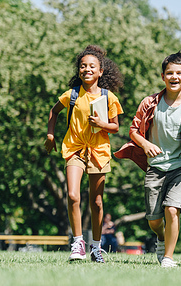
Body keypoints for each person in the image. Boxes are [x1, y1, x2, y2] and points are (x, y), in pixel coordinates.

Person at [116, 51, 181, 268]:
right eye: (169, 73)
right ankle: (160, 236)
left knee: (172, 209)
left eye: (179, 73)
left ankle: (168, 257)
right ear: (162, 76)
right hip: (156, 168)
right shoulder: (149, 103)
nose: (174, 77)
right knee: (154, 220)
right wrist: (145, 144)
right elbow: (134, 130)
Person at [44, 45, 124, 263]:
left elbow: (116, 127)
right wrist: (51, 135)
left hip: (98, 151)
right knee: (72, 195)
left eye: (92, 66)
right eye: (83, 66)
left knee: (96, 202)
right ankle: (78, 242)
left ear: (100, 72)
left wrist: (102, 123)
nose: (87, 69)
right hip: (74, 149)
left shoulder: (109, 98)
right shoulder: (71, 95)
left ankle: (96, 247)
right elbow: (54, 112)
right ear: (79, 70)